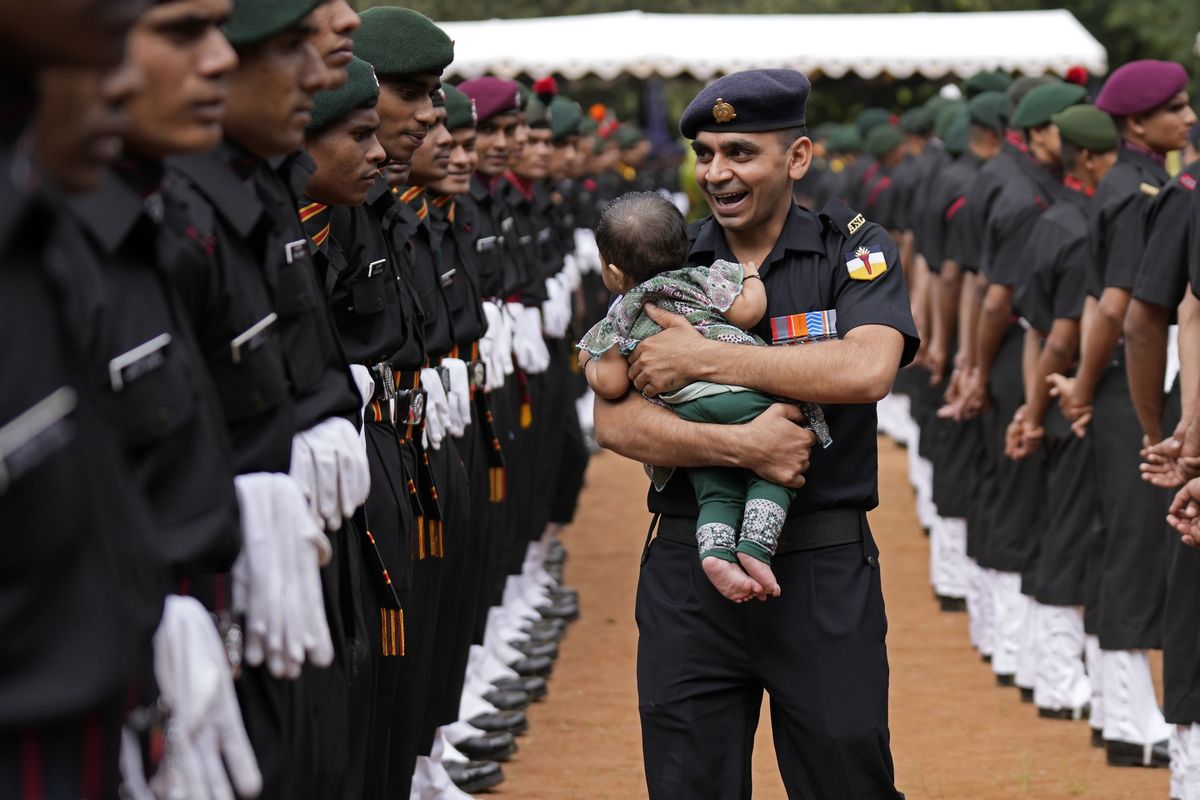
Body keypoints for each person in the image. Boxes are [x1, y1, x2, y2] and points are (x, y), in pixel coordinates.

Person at [594, 68, 916, 799]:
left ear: (796, 157)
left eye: (740, 152)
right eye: (705, 154)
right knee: (687, 784)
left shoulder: (851, 249)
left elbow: (867, 369)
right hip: (687, 570)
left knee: (847, 776)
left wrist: (703, 357)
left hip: (820, 568)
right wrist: (737, 446)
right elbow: (612, 414)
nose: (716, 172)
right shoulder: (666, 256)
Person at [579, 191, 830, 600]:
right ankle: (755, 546)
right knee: (773, 468)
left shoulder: (620, 314)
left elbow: (609, 385)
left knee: (713, 485)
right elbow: (748, 313)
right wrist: (750, 278)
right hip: (743, 395)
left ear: (612, 273)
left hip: (690, 413)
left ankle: (715, 553)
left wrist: (591, 362)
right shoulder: (702, 278)